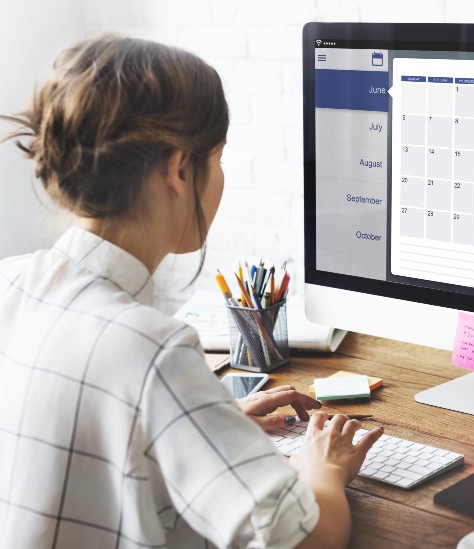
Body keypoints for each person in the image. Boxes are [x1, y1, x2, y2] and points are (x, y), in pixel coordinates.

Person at [0, 35, 382, 549]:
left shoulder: (11, 282)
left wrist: (205, 420)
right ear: (179, 169)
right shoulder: (151, 349)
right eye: (218, 158)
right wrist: (323, 468)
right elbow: (308, 539)